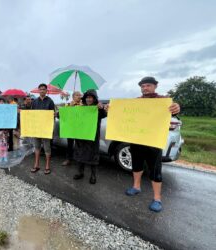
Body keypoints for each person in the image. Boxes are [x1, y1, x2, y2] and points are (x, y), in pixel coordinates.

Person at [106, 76, 180, 212]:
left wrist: (177, 107)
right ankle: (136, 187)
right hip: (137, 141)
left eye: (148, 85)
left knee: (155, 170)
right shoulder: (136, 102)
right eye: (142, 86)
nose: (145, 88)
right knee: (137, 165)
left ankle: (157, 199)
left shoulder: (163, 101)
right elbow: (121, 113)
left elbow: (175, 111)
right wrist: (110, 108)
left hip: (153, 143)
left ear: (155, 86)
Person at [73, 90, 106, 184]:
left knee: (93, 156)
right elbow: (68, 116)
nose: (88, 99)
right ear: (84, 99)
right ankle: (80, 173)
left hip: (92, 137)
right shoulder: (80, 108)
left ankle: (93, 175)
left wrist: (101, 108)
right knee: (80, 155)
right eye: (87, 97)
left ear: (94, 99)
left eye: (91, 97)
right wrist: (71, 107)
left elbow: (104, 115)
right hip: (81, 137)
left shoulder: (97, 109)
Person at [30, 83, 55, 175]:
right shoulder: (34, 102)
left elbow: (53, 114)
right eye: (40, 89)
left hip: (46, 128)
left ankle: (47, 165)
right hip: (37, 128)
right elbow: (31, 115)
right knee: (36, 147)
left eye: (44, 89)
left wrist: (54, 115)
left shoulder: (50, 101)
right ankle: (36, 164)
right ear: (38, 90)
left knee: (47, 148)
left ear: (46, 91)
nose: (42, 91)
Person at [62, 91, 83, 166]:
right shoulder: (67, 104)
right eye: (77, 95)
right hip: (70, 128)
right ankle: (68, 159)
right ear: (73, 97)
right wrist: (69, 107)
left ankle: (79, 159)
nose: (79, 96)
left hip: (79, 128)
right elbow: (63, 115)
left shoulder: (83, 105)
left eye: (80, 95)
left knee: (79, 145)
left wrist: (82, 107)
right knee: (69, 145)